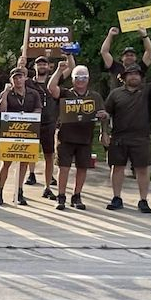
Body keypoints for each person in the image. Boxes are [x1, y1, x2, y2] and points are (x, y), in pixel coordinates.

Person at [103, 57, 151, 213]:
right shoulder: (115, 94)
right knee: (117, 167)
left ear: (141, 77)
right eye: (130, 74)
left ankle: (143, 200)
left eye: (137, 74)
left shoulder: (147, 91)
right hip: (119, 136)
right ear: (124, 77)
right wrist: (104, 132)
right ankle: (116, 198)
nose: (134, 76)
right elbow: (106, 114)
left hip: (141, 137)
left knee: (142, 169)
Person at [47, 63, 106, 211]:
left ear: (88, 79)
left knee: (82, 168)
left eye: (84, 77)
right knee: (64, 167)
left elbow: (103, 115)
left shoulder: (95, 96)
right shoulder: (66, 93)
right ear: (72, 79)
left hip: (85, 138)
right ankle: (61, 196)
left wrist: (104, 129)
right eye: (77, 77)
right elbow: (51, 88)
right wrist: (59, 70)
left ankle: (77, 195)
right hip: (65, 137)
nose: (81, 80)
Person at [22, 53, 74, 196]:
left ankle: (47, 187)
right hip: (32, 123)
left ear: (49, 66)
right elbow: (17, 76)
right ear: (35, 66)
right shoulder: (28, 82)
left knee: (49, 155)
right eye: (39, 64)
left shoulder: (54, 80)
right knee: (28, 154)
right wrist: (21, 63)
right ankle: (26, 181)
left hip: (49, 123)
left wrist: (69, 55)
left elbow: (71, 68)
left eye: (44, 64)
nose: (42, 66)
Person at [0, 67, 41, 206]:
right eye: (15, 78)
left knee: (24, 162)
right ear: (11, 80)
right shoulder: (7, 93)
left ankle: (19, 191)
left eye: (20, 77)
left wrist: (30, 117)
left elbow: (38, 109)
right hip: (10, 132)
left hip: (28, 132)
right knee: (6, 162)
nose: (18, 80)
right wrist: (6, 92)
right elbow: (1, 109)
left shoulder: (33, 94)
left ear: (25, 78)